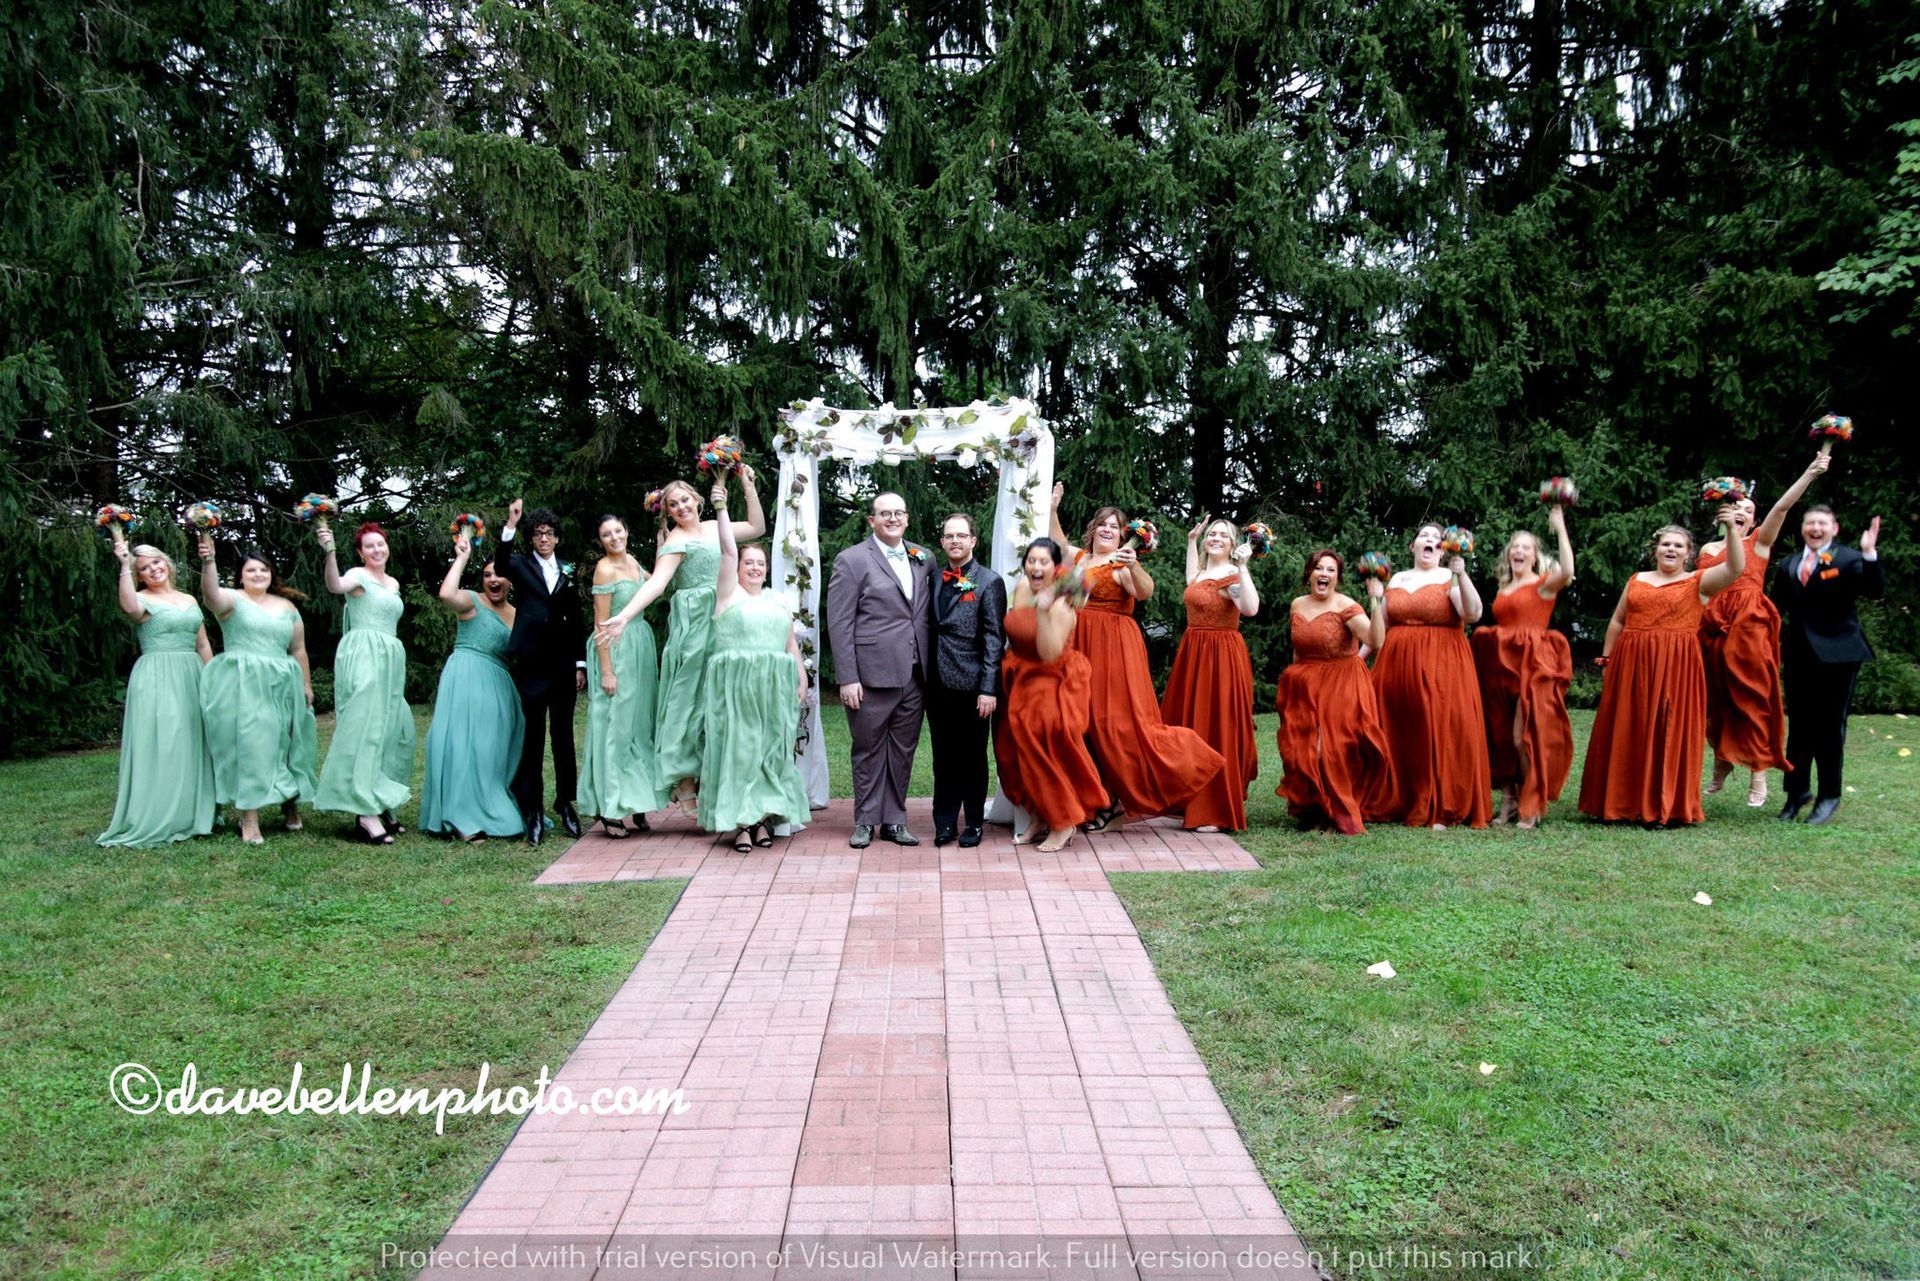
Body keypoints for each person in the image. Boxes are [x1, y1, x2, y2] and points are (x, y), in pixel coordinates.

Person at [1047, 483, 1223, 831]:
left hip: (1114, 646)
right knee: (1083, 724)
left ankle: (1184, 765)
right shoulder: (1081, 558)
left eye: (1114, 525)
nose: (1108, 529)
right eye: (1103, 524)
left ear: (1122, 534)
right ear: (1094, 529)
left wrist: (1135, 566)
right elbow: (1057, 543)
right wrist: (1053, 508)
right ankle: (1101, 802)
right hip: (1078, 643)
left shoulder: (1124, 561)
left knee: (1116, 724)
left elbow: (1144, 593)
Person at [599, 469, 766, 812]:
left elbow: (757, 528)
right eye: (673, 505)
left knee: (720, 697)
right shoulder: (674, 541)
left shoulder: (714, 526)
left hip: (726, 614)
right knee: (689, 700)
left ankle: (715, 773)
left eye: (685, 500)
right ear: (668, 511)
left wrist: (747, 483)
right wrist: (625, 615)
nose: (680, 507)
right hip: (695, 625)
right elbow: (657, 584)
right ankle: (684, 778)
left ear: (697, 500)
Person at [1578, 516, 1747, 826]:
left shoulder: (1699, 580)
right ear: (1655, 549)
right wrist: (1607, 659)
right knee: (1628, 726)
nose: (1671, 549)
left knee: (1667, 728)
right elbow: (1617, 620)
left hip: (1676, 666)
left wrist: (1733, 531)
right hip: (1630, 663)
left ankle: (1662, 806)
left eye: (1678, 545)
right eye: (1666, 544)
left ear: (1688, 552)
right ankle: (1618, 803)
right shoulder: (1636, 580)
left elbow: (1736, 568)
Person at [1699, 454, 1829, 807]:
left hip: (1749, 625)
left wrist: (1809, 473)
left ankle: (1758, 772)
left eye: (1749, 509)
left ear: (1754, 519)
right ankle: (1721, 762)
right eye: (1736, 505)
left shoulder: (1758, 542)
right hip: (1711, 626)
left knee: (1752, 698)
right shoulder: (1707, 549)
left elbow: (1784, 508)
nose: (1742, 511)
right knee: (1715, 700)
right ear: (1723, 511)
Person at [700, 477, 811, 851]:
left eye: (761, 563)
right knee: (741, 750)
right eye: (750, 562)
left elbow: (789, 642)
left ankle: (764, 818)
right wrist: (721, 508)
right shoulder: (727, 596)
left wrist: (802, 677)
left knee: (771, 751)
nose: (755, 568)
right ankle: (742, 822)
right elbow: (728, 552)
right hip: (738, 688)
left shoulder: (777, 600)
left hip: (775, 687)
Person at [826, 491, 934, 848]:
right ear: (871, 520)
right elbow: (839, 622)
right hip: (870, 675)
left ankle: (894, 820)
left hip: (915, 674)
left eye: (898, 513)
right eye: (884, 513)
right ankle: (865, 820)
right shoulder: (852, 560)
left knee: (903, 750)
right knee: (868, 748)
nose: (892, 519)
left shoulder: (924, 558)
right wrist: (848, 677)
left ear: (906, 518)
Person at [196, 533, 318, 844]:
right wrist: (208, 560)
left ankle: (290, 804)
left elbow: (299, 649)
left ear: (271, 574)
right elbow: (210, 595)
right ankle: (249, 818)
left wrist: (305, 683)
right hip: (244, 684)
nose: (258, 575)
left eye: (263, 570)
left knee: (288, 742)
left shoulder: (287, 606)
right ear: (240, 576)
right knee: (250, 746)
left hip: (284, 681)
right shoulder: (231, 600)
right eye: (251, 570)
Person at [1368, 522, 1491, 829]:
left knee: (1440, 730)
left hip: (1443, 665)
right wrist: (1355, 662)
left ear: (1444, 548)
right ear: (1413, 546)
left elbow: (1473, 613)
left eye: (1436, 538)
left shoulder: (1450, 577)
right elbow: (1378, 631)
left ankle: (1441, 803)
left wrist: (1461, 573)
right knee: (1396, 731)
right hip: (1394, 666)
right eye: (1424, 535)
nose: (1430, 540)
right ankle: (1401, 799)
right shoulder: (1396, 578)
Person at [1770, 501, 1884, 825]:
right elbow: (1773, 611)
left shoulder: (1849, 559)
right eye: (1810, 523)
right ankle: (1796, 794)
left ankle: (1829, 795)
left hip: (1839, 656)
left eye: (1822, 523)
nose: (1815, 529)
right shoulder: (1788, 565)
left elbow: (1874, 590)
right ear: (1803, 529)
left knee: (1830, 728)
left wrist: (1870, 554)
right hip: (1798, 656)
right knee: (1800, 728)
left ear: (1833, 528)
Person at [98, 540, 217, 847]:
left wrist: (214, 677)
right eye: (145, 568)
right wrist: (124, 565)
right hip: (157, 676)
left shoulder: (189, 598)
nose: (153, 569)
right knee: (165, 741)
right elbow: (128, 609)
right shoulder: (139, 598)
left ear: (167, 563)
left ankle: (195, 811)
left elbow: (202, 643)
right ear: (139, 575)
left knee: (193, 740)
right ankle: (163, 813)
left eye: (156, 562)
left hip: (192, 673)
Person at [995, 538, 1109, 851]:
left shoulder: (1061, 605)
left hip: (1051, 681)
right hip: (1019, 680)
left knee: (1043, 752)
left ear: (1056, 567)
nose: (1036, 567)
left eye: (1043, 561)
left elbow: (1048, 652)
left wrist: (1044, 614)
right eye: (1031, 560)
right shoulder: (1020, 588)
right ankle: (1039, 817)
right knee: (1015, 755)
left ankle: (1064, 822)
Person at [1275, 550, 1394, 835]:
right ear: (1310, 574)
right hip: (1305, 684)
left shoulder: (1347, 606)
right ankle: (1315, 809)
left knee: (1327, 750)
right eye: (1319, 568)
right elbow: (1298, 648)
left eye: (1330, 570)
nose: (1324, 574)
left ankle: (1335, 813)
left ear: (1337, 577)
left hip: (1342, 683)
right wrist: (1293, 685)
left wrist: (1376, 600)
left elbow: (1376, 640)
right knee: (1301, 749)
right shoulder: (1297, 605)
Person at [1471, 503, 1575, 828]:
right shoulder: (1504, 586)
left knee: (1522, 736)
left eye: (1525, 548)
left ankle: (1533, 801)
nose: (1519, 551)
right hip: (1501, 663)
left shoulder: (1543, 583)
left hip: (1533, 663)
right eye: (1515, 547)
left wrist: (1559, 526)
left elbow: (1568, 570)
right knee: (1500, 735)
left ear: (1534, 555)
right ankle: (1509, 801)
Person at [313, 520, 416, 843]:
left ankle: (379, 800)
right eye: (369, 545)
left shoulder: (394, 583)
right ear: (360, 551)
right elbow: (334, 585)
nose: (376, 549)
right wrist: (329, 552)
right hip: (365, 654)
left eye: (380, 544)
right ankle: (364, 811)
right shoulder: (357, 577)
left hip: (390, 658)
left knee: (391, 729)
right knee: (365, 729)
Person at [419, 532, 526, 842]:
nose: (493, 579)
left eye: (500, 575)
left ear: (511, 581)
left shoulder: (518, 615)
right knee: (464, 745)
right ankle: (462, 817)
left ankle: (492, 805)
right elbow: (445, 594)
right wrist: (462, 557)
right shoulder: (471, 601)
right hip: (466, 676)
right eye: (487, 574)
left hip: (500, 683)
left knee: (491, 749)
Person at [492, 500, 587, 844]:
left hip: (563, 664)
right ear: (531, 538)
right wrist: (511, 525)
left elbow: (576, 617)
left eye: (549, 533)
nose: (544, 538)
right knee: (533, 739)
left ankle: (565, 803)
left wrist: (580, 663)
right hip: (532, 663)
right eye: (538, 534)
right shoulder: (518, 564)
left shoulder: (569, 569)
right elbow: (500, 563)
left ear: (557, 538)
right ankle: (533, 809)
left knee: (563, 738)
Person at [1159, 517, 1259, 832]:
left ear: (1232, 544)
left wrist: (1243, 568)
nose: (1215, 538)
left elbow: (1251, 609)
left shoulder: (1231, 574)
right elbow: (1192, 579)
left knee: (1216, 723)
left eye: (1222, 535)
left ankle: (1215, 807)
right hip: (1194, 652)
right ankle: (1190, 795)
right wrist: (1191, 541)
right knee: (1190, 721)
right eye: (1211, 534)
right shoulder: (1203, 572)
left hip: (1221, 655)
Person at [579, 514, 665, 838]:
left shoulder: (632, 560)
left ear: (626, 532)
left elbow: (656, 583)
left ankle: (636, 798)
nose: (614, 537)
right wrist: (607, 671)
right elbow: (600, 625)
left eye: (618, 530)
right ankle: (611, 807)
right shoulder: (605, 569)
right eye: (606, 534)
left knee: (640, 726)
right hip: (616, 649)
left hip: (640, 646)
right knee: (616, 727)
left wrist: (661, 545)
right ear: (600, 540)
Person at [926, 511, 1007, 847]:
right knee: (943, 756)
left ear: (973, 540)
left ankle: (973, 822)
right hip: (936, 683)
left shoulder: (989, 581)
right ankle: (944, 823)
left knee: (972, 756)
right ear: (943, 542)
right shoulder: (933, 578)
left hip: (973, 685)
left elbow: (993, 639)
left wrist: (989, 688)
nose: (955, 541)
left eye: (961, 535)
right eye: (949, 536)